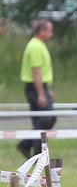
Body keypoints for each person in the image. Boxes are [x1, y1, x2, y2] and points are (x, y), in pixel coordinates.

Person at [17, 19, 57, 159]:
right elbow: (36, 71)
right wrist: (41, 93)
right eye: (50, 30)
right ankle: (34, 151)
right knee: (45, 119)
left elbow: (42, 72)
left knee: (44, 120)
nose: (52, 33)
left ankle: (29, 147)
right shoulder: (35, 47)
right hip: (35, 88)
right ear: (42, 31)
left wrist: (47, 89)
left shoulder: (39, 45)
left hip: (40, 86)